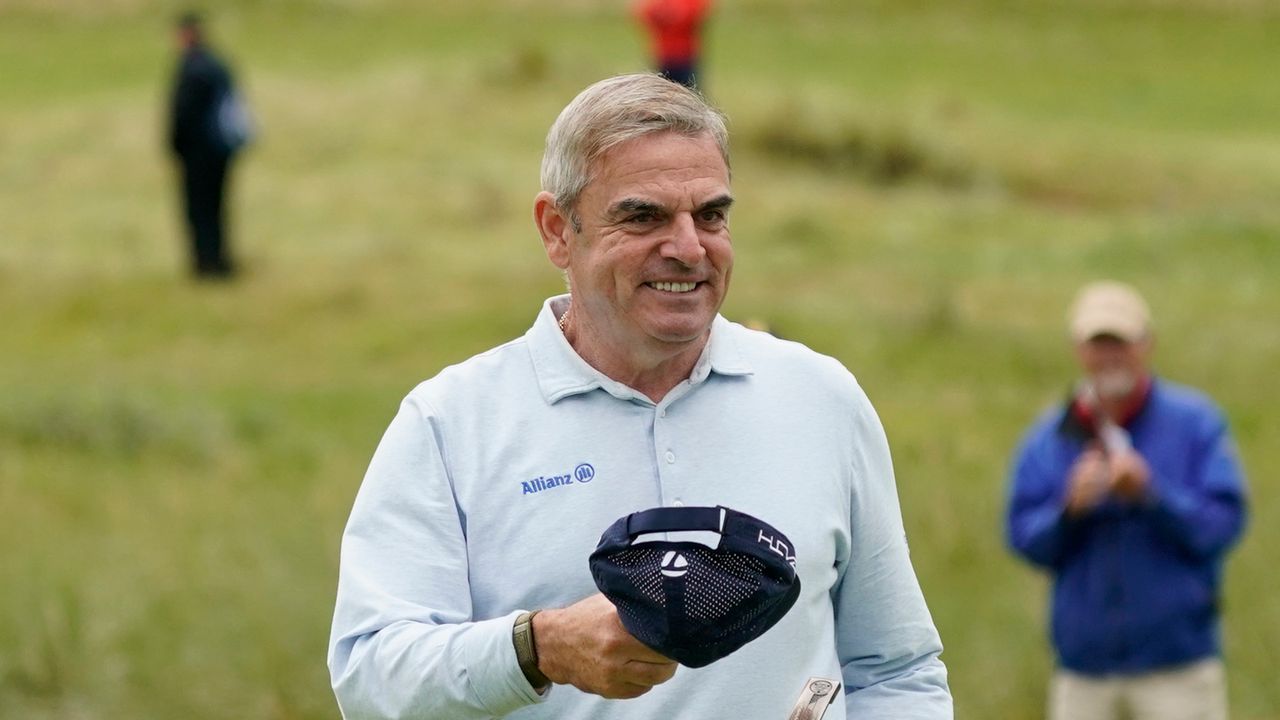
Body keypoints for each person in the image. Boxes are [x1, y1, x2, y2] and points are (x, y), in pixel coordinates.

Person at [328, 73, 951, 719]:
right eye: (643, 216)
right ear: (557, 230)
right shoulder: (449, 423)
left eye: (711, 215)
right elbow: (370, 679)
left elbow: (896, 669)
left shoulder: (821, 398)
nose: (688, 248)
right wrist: (536, 649)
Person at [1006, 281, 1247, 720]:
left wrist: (1151, 494)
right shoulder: (1051, 437)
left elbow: (1221, 526)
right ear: (1077, 350)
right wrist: (1069, 510)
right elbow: (1024, 539)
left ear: (1146, 343)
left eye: (1121, 342)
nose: (1109, 356)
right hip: (1084, 674)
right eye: (1098, 344)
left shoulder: (1195, 423)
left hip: (1178, 670)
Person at [167, 12, 243, 279]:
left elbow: (182, 116)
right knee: (217, 206)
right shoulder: (216, 64)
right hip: (222, 149)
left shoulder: (191, 69)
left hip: (197, 153)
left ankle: (205, 264)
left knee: (198, 209)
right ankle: (220, 259)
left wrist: (174, 146)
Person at [633, 0, 712, 89]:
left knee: (689, 91)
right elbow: (644, 13)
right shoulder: (658, 3)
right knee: (662, 92)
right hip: (663, 56)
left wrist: (674, 13)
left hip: (685, 56)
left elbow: (695, 15)